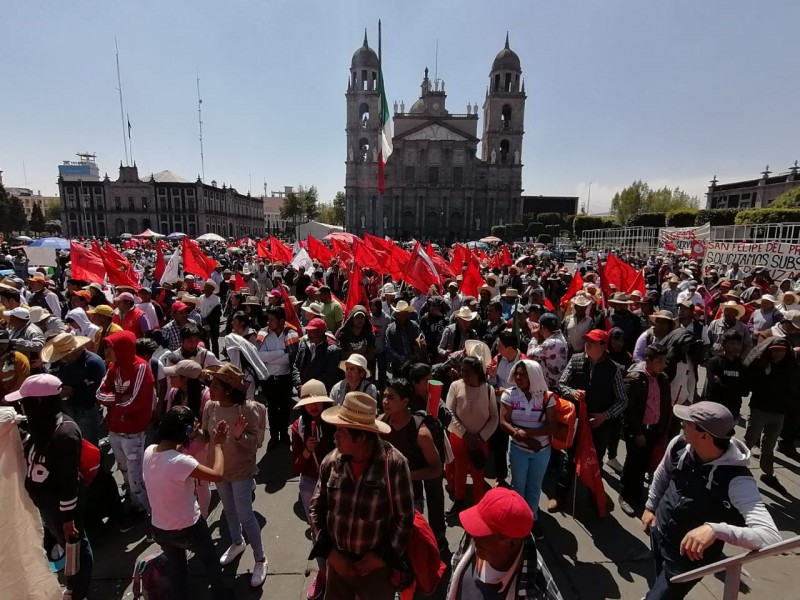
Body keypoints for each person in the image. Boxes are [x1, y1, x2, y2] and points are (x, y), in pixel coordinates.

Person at [642, 402, 781, 600]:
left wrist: (715, 530)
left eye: (688, 423)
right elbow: (662, 474)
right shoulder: (679, 444)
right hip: (660, 533)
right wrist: (650, 505)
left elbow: (771, 538)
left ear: (705, 435)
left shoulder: (738, 480)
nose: (682, 424)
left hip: (687, 560)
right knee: (659, 584)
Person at [309, 391, 415, 600]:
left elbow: (405, 518)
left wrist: (381, 559)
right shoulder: (331, 462)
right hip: (338, 567)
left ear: (362, 435)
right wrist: (331, 553)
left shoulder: (393, 464)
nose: (335, 435)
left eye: (342, 431)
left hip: (376, 572)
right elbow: (316, 508)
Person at [12, 374, 94, 600]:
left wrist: (68, 519)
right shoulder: (43, 423)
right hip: (47, 504)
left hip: (60, 506)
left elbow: (69, 482)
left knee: (76, 549)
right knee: (65, 544)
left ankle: (78, 591)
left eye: (25, 402)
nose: (22, 406)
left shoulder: (65, 433)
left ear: (38, 403)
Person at [143, 406, 232, 600]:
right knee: (210, 561)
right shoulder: (182, 462)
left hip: (160, 527)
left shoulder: (149, 451)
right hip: (188, 526)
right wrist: (217, 444)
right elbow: (217, 475)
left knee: (177, 570)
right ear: (185, 432)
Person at [200, 363, 268, 587]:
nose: (210, 387)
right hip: (220, 470)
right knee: (228, 510)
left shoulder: (248, 409)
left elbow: (256, 444)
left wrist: (240, 436)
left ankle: (260, 558)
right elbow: (205, 434)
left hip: (241, 471)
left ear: (228, 389)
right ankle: (237, 542)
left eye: (215, 384)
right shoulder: (210, 406)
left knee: (245, 514)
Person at [551, 329, 627, 512]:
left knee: (596, 460)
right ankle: (560, 496)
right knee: (569, 458)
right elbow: (561, 384)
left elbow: (622, 400)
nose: (588, 344)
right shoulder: (576, 360)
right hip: (576, 420)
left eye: (593, 342)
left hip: (599, 424)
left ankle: (595, 495)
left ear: (603, 346)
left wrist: (605, 416)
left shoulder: (613, 368)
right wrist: (572, 393)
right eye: (586, 341)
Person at [448, 487, 563, 599]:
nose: (474, 535)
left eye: (484, 533)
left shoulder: (536, 592)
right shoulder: (471, 538)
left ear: (512, 544)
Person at [380, 378, 446, 549]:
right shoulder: (381, 423)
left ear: (405, 402)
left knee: (408, 546)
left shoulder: (421, 433)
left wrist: (408, 475)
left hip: (409, 498)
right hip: (382, 495)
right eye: (384, 396)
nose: (385, 401)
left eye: (391, 397)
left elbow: (437, 469)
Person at [96, 331, 154, 521]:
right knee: (124, 470)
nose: (106, 351)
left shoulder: (141, 368)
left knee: (136, 476)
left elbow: (135, 402)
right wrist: (119, 399)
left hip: (133, 432)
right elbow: (99, 394)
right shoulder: (114, 367)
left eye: (109, 347)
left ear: (122, 348)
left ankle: (152, 514)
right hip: (115, 429)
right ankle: (136, 506)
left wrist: (113, 403)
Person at [499, 360, 556, 537]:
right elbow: (503, 422)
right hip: (518, 450)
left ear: (534, 375)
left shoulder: (548, 397)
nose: (518, 377)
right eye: (516, 374)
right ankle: (518, 521)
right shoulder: (509, 394)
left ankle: (532, 518)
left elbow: (552, 426)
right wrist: (522, 438)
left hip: (541, 451)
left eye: (523, 374)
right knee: (518, 487)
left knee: (534, 487)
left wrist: (529, 434)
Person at [290, 380, 336, 600]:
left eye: (318, 402)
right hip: (310, 483)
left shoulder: (336, 422)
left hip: (336, 483)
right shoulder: (297, 427)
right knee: (317, 531)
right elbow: (297, 465)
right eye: (309, 403)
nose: (314, 407)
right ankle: (323, 572)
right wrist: (308, 451)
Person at [618, 344, 672, 517]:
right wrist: (638, 432)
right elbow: (629, 409)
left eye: (664, 361)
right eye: (659, 361)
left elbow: (665, 408)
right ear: (648, 361)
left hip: (654, 428)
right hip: (638, 430)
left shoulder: (663, 379)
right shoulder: (634, 379)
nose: (663, 365)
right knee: (633, 461)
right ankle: (625, 495)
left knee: (645, 462)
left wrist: (663, 431)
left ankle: (637, 494)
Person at [743, 337, 798, 495]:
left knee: (769, 445)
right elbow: (750, 381)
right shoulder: (761, 366)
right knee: (749, 441)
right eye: (775, 351)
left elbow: (793, 389)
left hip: (779, 413)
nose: (778, 354)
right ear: (769, 351)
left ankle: (768, 474)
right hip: (760, 410)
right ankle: (735, 469)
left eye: (781, 351)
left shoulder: (789, 368)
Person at [446, 356, 499, 516]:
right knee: (459, 469)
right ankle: (459, 500)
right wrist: (465, 434)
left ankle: (478, 506)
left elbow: (494, 417)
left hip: (480, 440)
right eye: (462, 370)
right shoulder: (455, 386)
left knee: (478, 472)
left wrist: (480, 437)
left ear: (477, 373)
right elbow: (449, 412)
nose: (464, 374)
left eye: (467, 372)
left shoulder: (488, 390)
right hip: (458, 437)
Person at [43, 332, 106, 445]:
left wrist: (72, 391)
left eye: (66, 356)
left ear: (77, 350)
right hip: (69, 406)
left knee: (88, 442)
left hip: (88, 408)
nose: (64, 359)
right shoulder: (65, 362)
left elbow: (97, 390)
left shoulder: (93, 363)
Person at [257, 306, 300, 448]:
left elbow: (290, 358)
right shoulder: (263, 334)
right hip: (269, 379)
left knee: (285, 408)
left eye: (272, 320)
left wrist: (271, 357)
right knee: (272, 408)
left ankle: (284, 433)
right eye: (268, 320)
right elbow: (260, 356)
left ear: (282, 321)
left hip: (285, 378)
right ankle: (274, 435)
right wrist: (281, 353)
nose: (268, 323)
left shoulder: (291, 334)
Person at [703, 329, 748, 420]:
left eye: (738, 344)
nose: (735, 347)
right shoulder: (715, 362)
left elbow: (745, 391)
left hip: (733, 409)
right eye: (732, 343)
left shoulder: (742, 365)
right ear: (723, 344)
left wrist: (725, 384)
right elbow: (714, 386)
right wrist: (735, 386)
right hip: (714, 408)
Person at [293, 317, 342, 393]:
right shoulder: (305, 345)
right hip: (303, 393)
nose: (308, 334)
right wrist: (299, 385)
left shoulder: (332, 351)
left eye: (312, 331)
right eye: (308, 331)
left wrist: (309, 387)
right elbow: (296, 366)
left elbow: (329, 375)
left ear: (321, 332)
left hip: (320, 394)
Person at [527, 313, 569, 389]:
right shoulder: (560, 337)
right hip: (554, 384)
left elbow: (529, 354)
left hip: (551, 387)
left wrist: (534, 338)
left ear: (543, 328)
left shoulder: (552, 343)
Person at [384, 301, 423, 376]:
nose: (400, 317)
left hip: (414, 362)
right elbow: (389, 348)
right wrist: (402, 358)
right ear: (395, 315)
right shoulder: (390, 329)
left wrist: (416, 355)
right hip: (398, 364)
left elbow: (421, 340)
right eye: (398, 315)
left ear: (407, 315)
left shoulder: (414, 326)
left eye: (403, 315)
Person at [0, 329, 30, 401]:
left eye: (2, 344)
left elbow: (21, 383)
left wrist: (7, 399)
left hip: (13, 397)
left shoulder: (20, 359)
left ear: (8, 344)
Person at [199, 279, 223, 356]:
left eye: (207, 287)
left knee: (214, 342)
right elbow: (198, 309)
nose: (205, 289)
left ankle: (216, 359)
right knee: (205, 343)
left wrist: (206, 320)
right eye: (205, 287)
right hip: (203, 324)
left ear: (212, 289)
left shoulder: (216, 299)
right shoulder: (201, 298)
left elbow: (217, 313)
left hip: (213, 325)